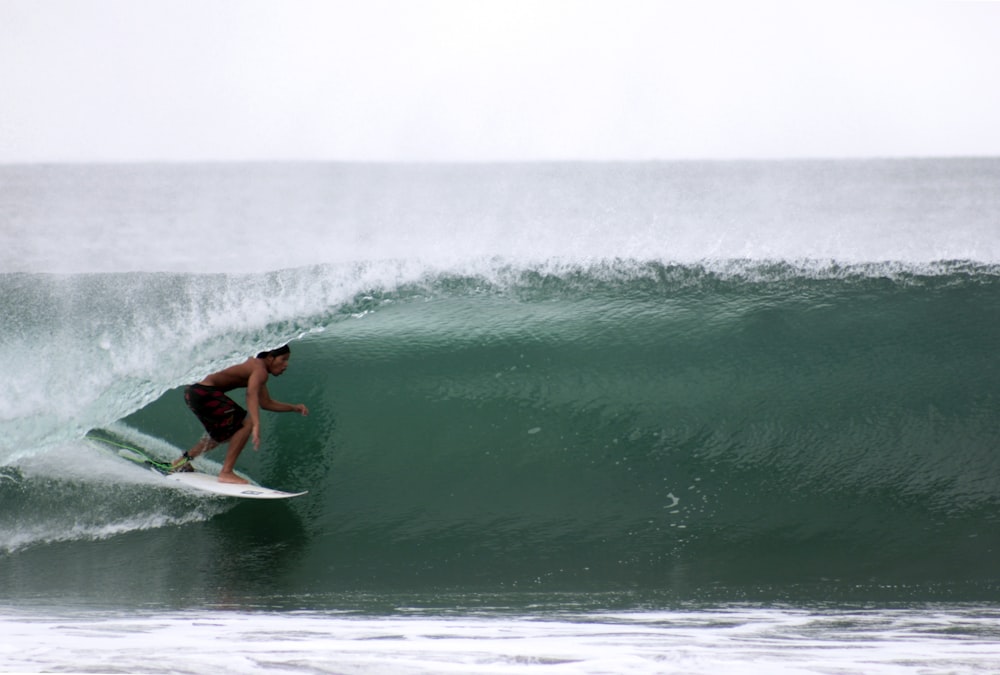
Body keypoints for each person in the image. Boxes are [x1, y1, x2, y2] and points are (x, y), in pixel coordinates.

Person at [173, 345, 309, 484]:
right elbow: (251, 394)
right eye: (283, 359)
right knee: (245, 424)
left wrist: (294, 407)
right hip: (203, 391)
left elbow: (266, 403)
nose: (286, 365)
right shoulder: (259, 369)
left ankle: (181, 462)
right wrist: (255, 424)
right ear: (270, 358)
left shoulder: (257, 370)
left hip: (193, 392)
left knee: (222, 434)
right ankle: (226, 473)